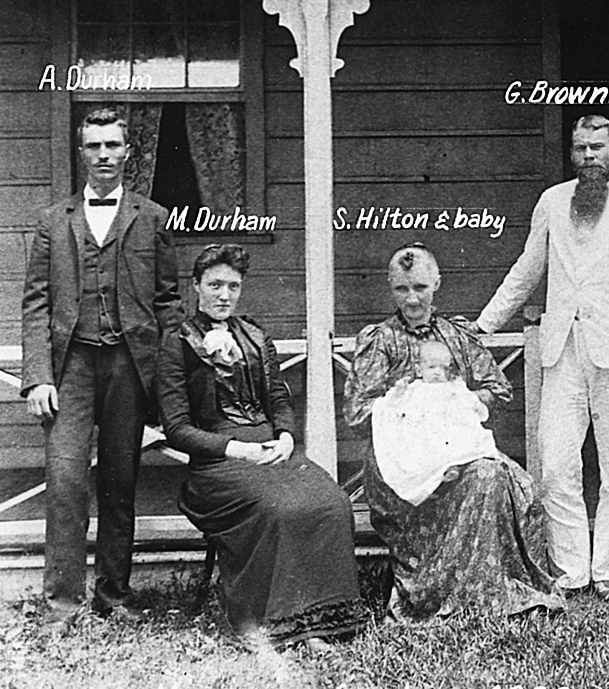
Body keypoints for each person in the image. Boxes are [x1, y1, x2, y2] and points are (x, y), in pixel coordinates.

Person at [475, 115, 609, 600]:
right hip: (561, 349)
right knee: (556, 462)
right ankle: (569, 568)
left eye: (597, 148)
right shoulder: (553, 203)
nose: (588, 157)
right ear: (571, 153)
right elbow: (528, 269)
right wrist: (484, 324)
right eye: (580, 148)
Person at [21, 107, 183, 634]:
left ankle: (114, 594)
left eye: (113, 145)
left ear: (128, 151)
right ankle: (61, 606)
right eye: (94, 147)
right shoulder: (52, 222)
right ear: (81, 152)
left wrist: (167, 377)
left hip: (128, 367)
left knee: (120, 481)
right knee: (65, 480)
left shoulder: (152, 217)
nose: (104, 156)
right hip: (70, 368)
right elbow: (36, 305)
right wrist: (38, 376)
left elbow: (168, 303)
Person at [158, 244, 366, 651]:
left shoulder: (254, 335)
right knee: (279, 510)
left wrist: (287, 437)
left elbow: (279, 399)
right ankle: (286, 627)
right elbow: (178, 429)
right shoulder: (177, 343)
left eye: (233, 286)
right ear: (196, 286)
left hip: (273, 451)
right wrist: (236, 449)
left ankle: (325, 619)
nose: (224, 295)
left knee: (333, 503)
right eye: (215, 284)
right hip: (218, 467)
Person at [345, 244, 563, 618]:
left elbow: (497, 387)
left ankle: (487, 591)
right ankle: (444, 596)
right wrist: (403, 405)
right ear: (390, 288)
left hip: (456, 449)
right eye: (402, 289)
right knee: (481, 480)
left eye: (420, 288)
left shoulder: (455, 336)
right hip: (403, 467)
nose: (412, 299)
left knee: (497, 477)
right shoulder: (381, 342)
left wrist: (459, 400)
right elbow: (357, 412)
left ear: (437, 284)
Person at [370, 340, 498, 506]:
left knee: (463, 444)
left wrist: (475, 406)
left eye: (443, 368)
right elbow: (392, 405)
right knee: (425, 455)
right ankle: (435, 480)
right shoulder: (414, 389)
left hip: (449, 431)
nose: (437, 373)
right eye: (431, 368)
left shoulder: (453, 387)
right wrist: (398, 392)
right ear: (419, 369)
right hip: (425, 435)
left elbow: (470, 403)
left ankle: (454, 468)